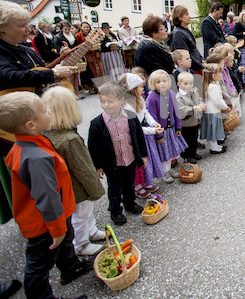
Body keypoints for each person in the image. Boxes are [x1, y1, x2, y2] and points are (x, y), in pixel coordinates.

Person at [0, 91, 92, 299]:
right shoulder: (36, 157)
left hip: (60, 214)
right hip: (46, 224)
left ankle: (70, 267)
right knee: (39, 264)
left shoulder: (28, 144)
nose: (48, 111)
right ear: (30, 125)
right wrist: (57, 229)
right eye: (44, 110)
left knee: (66, 242)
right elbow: (48, 199)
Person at [41, 86, 106, 257]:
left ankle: (91, 231)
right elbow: (83, 169)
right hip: (78, 188)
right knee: (82, 214)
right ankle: (81, 243)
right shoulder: (69, 140)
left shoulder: (48, 132)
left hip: (66, 185)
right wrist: (95, 189)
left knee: (85, 213)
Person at [88, 82, 146, 225]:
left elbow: (139, 136)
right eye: (103, 101)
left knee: (129, 184)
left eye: (110, 101)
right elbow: (93, 146)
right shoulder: (97, 123)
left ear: (121, 100)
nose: (106, 105)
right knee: (114, 188)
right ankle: (115, 210)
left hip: (130, 159)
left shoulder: (131, 116)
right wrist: (98, 166)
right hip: (112, 164)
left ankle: (130, 203)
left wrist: (143, 155)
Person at [0, 0, 75, 93]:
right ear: (2, 27)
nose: (28, 29)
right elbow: (10, 76)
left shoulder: (26, 50)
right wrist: (54, 73)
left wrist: (61, 62)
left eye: (27, 24)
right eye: (22, 25)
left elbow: (41, 74)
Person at [118, 73, 163, 198]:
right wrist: (152, 131)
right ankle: (137, 186)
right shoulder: (127, 107)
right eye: (140, 87)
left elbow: (146, 112)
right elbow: (136, 129)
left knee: (148, 159)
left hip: (144, 136)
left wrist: (153, 123)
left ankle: (147, 181)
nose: (143, 89)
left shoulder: (139, 100)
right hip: (135, 139)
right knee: (139, 163)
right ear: (132, 89)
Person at [146, 69, 188, 182]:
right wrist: (158, 134)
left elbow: (176, 112)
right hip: (161, 130)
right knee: (164, 152)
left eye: (164, 81)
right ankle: (164, 172)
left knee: (170, 151)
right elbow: (152, 118)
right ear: (153, 84)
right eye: (158, 82)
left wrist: (178, 126)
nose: (162, 84)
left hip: (171, 129)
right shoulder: (152, 97)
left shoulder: (171, 93)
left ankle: (168, 169)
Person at [176, 71, 206, 164]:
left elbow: (199, 100)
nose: (189, 86)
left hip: (195, 121)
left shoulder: (194, 93)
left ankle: (193, 153)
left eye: (190, 83)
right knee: (186, 141)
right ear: (179, 84)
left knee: (194, 138)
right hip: (186, 123)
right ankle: (187, 156)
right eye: (185, 84)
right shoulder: (179, 97)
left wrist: (201, 105)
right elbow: (181, 109)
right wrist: (195, 108)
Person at [201, 63, 229, 154]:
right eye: (220, 73)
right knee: (213, 130)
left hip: (210, 111)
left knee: (212, 129)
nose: (221, 75)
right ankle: (213, 148)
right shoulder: (213, 87)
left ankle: (215, 145)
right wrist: (225, 107)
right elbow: (218, 101)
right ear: (213, 75)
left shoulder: (208, 85)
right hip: (213, 111)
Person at [171, 5, 203, 71]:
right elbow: (185, 55)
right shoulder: (178, 33)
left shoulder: (185, 30)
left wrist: (201, 60)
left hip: (196, 66)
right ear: (179, 17)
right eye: (186, 14)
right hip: (192, 68)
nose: (189, 17)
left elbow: (194, 49)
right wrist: (200, 65)